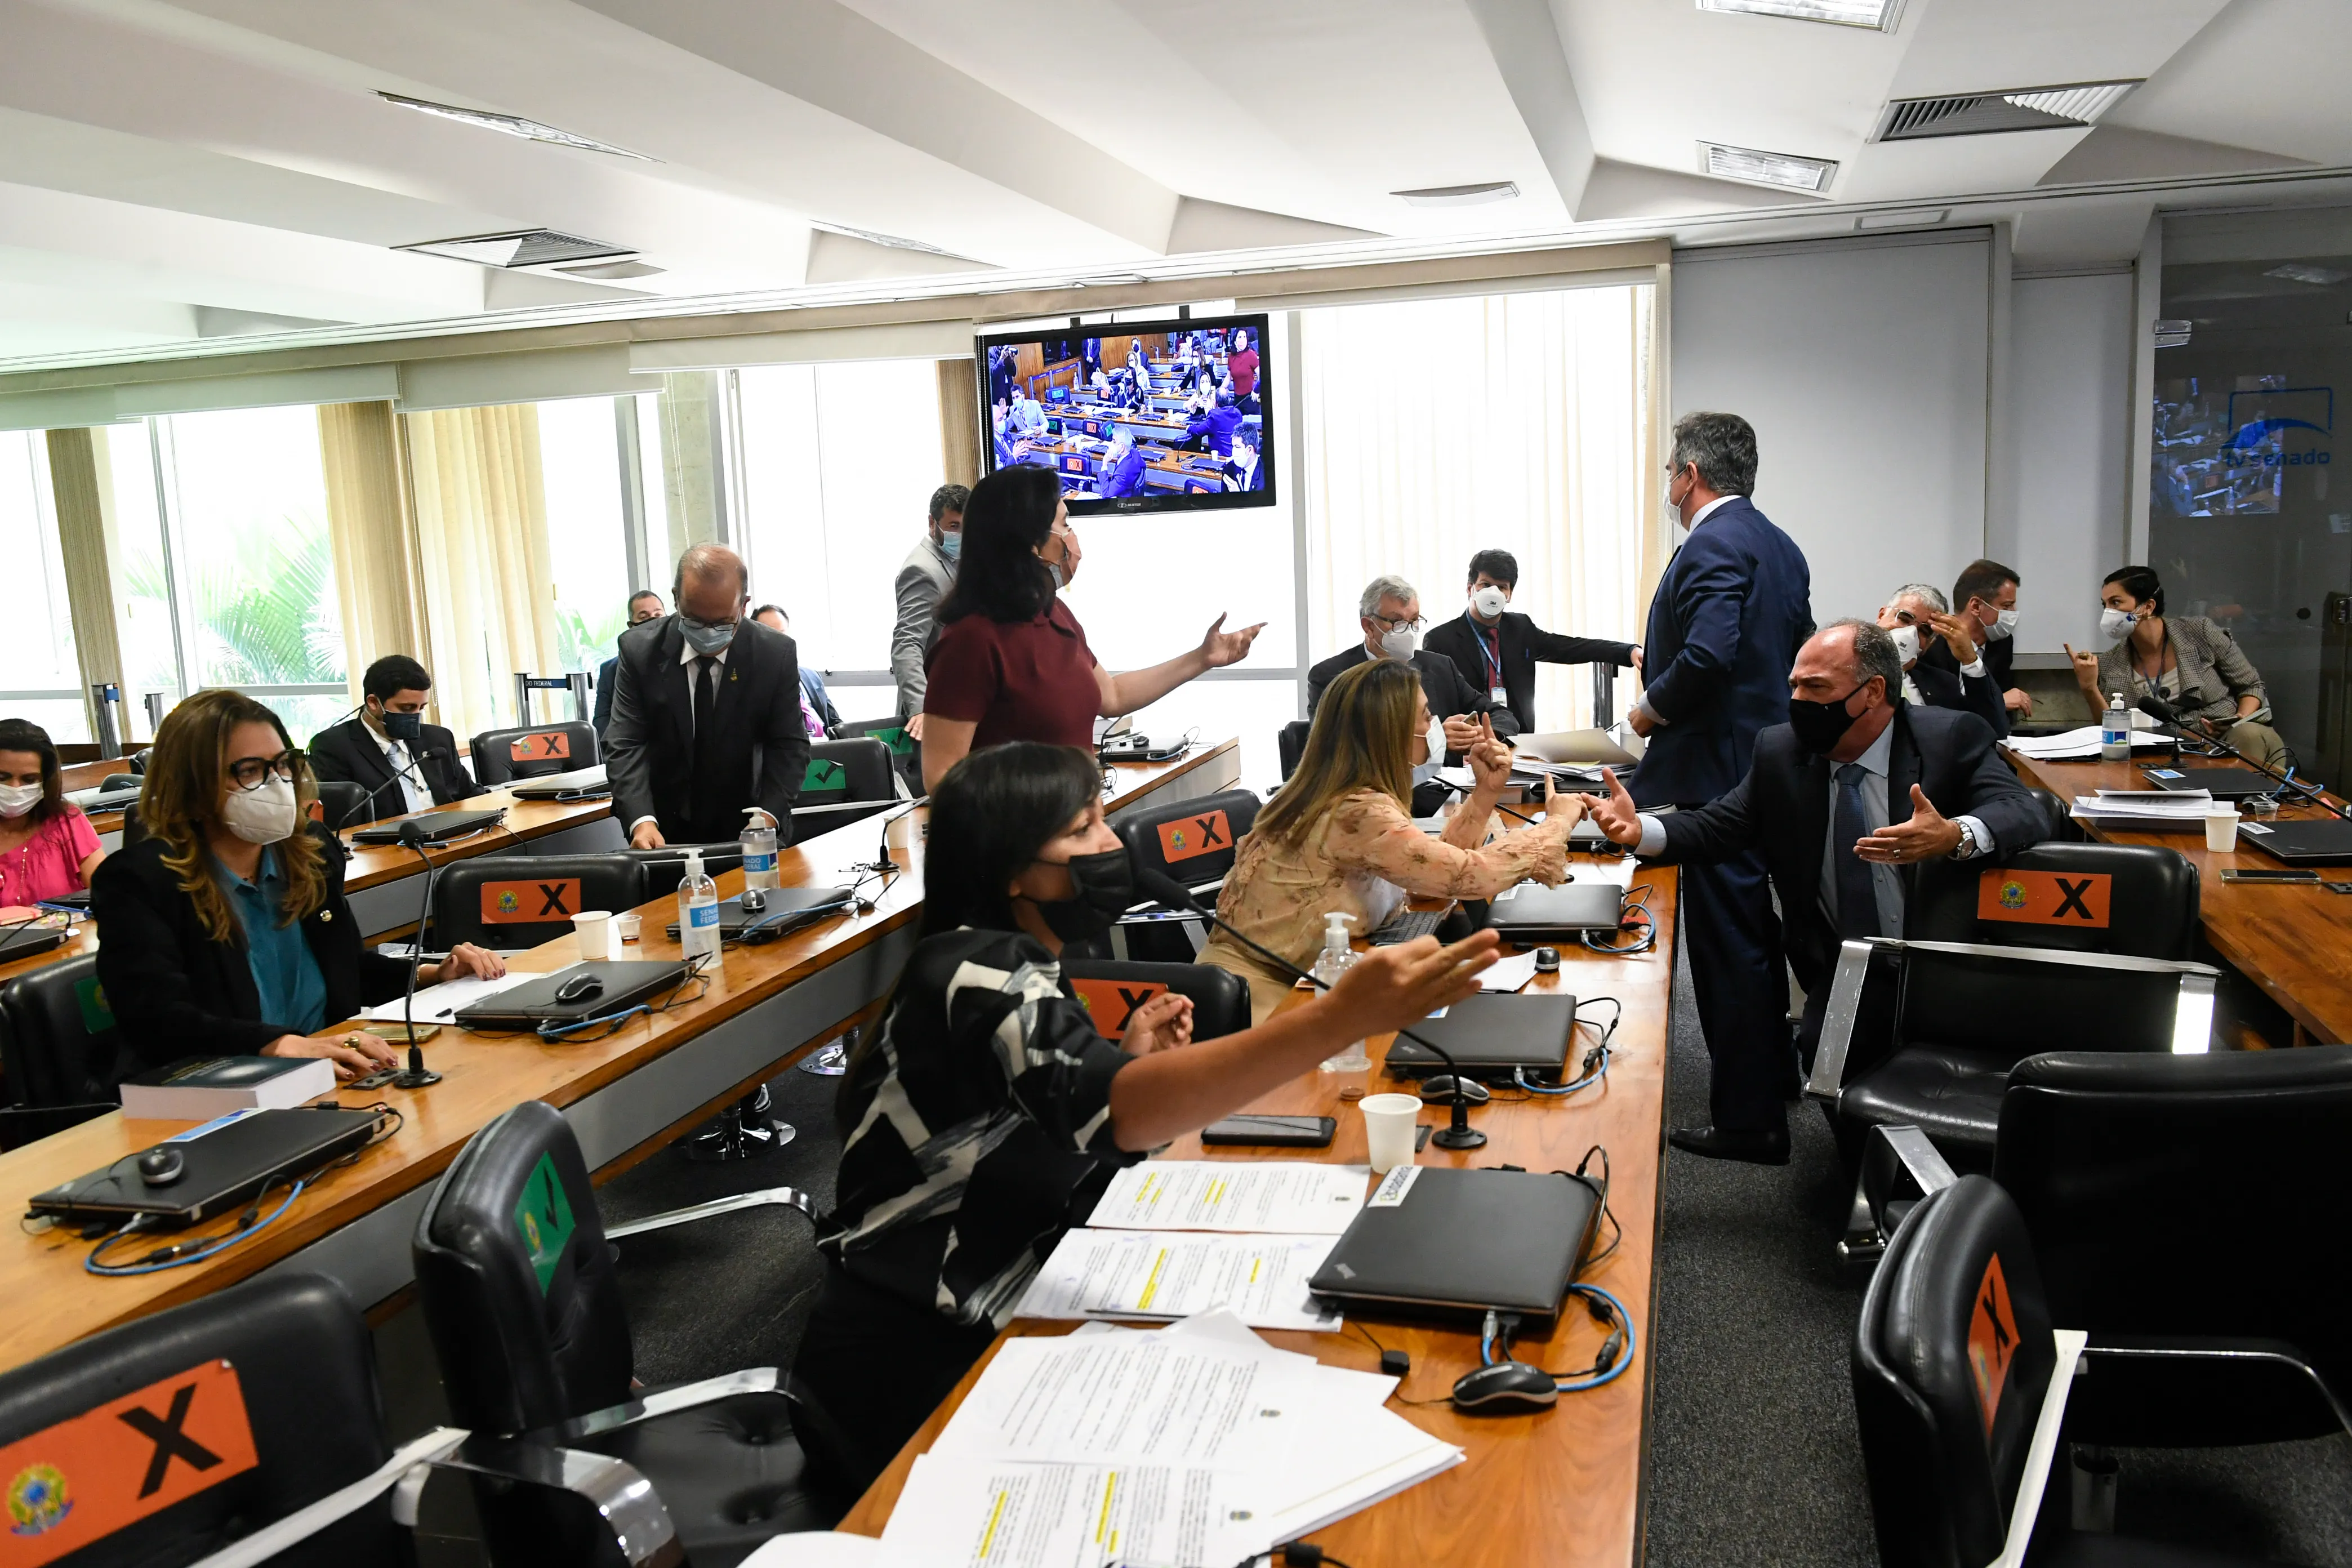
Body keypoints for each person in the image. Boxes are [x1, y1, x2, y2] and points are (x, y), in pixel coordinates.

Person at [792, 740, 1500, 1488]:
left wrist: (1127, 1064)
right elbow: (1109, 1114)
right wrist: (1333, 1022)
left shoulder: (1008, 957)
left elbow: (1048, 1123)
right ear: (1009, 870)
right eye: (1083, 830)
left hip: (995, 1295)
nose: (1110, 844)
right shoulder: (973, 968)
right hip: (906, 1355)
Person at [1585, 621, 2044, 1162]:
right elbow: (1720, 826)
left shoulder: (1949, 739)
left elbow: (2023, 812)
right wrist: (1643, 833)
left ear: (1872, 693)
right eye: (1795, 685)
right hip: (1846, 966)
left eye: (1816, 688)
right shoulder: (1782, 751)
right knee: (1826, 1062)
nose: (1798, 701)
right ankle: (1864, 1171)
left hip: (1943, 966)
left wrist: (1954, 835)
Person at [90, 689, 506, 1085]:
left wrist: (434, 974)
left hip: (329, 1071)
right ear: (193, 785)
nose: (276, 783)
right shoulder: (140, 880)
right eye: (249, 771)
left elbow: (345, 971)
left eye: (282, 765)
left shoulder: (311, 853)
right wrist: (283, 1046)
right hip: (215, 1090)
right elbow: (158, 1021)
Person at [1625, 411, 1813, 1162]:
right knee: (1760, 938)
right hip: (1774, 761)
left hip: (1720, 774)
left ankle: (1748, 1121)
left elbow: (1708, 655)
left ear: (1691, 476)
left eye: (1671, 473)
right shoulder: (1779, 542)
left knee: (1730, 947)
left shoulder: (1713, 542)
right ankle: (1775, 1078)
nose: (1669, 486)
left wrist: (1648, 708)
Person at [1204, 658, 1582, 1022]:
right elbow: (1468, 875)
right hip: (1267, 1000)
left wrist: (1484, 793)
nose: (1433, 725)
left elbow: (1429, 874)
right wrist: (1557, 824)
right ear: (1391, 731)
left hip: (1304, 980)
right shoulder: (1354, 812)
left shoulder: (1342, 794)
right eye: (1424, 715)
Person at [918, 466, 1263, 792]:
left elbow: (1113, 696)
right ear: (1030, 544)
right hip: (1020, 842)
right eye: (1064, 524)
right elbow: (942, 776)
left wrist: (1202, 658)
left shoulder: (1054, 613)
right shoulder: (970, 641)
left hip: (1077, 826)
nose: (1072, 538)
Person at [605, 544, 811, 849]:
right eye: (695, 620)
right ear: (676, 598)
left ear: (744, 605)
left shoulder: (774, 653)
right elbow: (626, 741)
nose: (708, 632)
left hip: (751, 821)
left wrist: (768, 816)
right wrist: (641, 820)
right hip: (664, 828)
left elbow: (788, 743)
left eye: (722, 623)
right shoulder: (639, 651)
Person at [1308, 574, 1518, 813]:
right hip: (1366, 804)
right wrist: (1435, 739)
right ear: (1368, 626)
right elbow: (1339, 750)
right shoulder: (1331, 675)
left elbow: (1501, 715)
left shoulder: (1440, 667)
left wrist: (1484, 736)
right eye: (1397, 622)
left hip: (1445, 797)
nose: (1408, 631)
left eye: (1414, 621)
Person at [2067, 565, 2289, 769]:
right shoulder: (2110, 662)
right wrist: (2089, 687)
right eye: (2104, 605)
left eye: (2115, 603)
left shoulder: (2199, 632)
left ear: (2148, 606)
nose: (2108, 612)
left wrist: (2239, 719)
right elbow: (2110, 733)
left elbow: (2251, 685)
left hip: (2223, 740)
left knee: (2249, 734)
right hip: (2159, 754)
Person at [1423, 548, 1641, 733]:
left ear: (1509, 595)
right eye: (1485, 585)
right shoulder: (1440, 640)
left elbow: (1570, 647)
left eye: (1501, 587)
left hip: (1519, 742)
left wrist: (1627, 651)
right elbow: (1434, 710)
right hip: (1469, 742)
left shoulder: (1520, 628)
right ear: (1470, 589)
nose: (1493, 593)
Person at [309, 654, 479, 821]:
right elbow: (344, 822)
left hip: (452, 837)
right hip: (388, 845)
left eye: (421, 708)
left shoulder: (438, 739)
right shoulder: (333, 747)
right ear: (373, 703)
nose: (416, 716)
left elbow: (469, 794)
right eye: (407, 708)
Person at [0, 719, 103, 916]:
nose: (15, 788)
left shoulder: (67, 822)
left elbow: (112, 894)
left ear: (45, 781)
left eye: (29, 780)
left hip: (65, 944)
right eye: (2, 778)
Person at [1877, 583, 2008, 738]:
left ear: (1930, 643)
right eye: (1905, 620)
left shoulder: (1942, 684)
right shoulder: (1845, 667)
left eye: (1924, 631)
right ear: (1881, 616)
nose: (1910, 634)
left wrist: (1970, 660)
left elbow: (1990, 732)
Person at [892, 484, 966, 743]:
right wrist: (922, 708)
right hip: (934, 714)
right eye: (954, 526)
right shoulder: (921, 570)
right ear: (932, 523)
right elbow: (907, 643)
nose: (961, 534)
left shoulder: (956, 559)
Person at [1930, 559, 2028, 719]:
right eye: (2007, 606)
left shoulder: (2002, 643)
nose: (2014, 612)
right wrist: (1999, 702)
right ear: (1976, 607)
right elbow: (1939, 710)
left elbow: (2005, 714)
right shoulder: (1933, 643)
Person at [753, 605, 841, 737]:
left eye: (782, 634)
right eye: (770, 635)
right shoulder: (750, 683)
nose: (777, 642)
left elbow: (834, 722)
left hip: (827, 751)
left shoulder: (811, 676)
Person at [594, 590, 666, 737]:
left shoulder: (684, 659)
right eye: (644, 617)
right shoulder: (610, 670)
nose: (653, 622)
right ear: (631, 625)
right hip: (629, 750)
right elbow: (602, 721)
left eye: (658, 616)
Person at [1184, 390, 1244, 460]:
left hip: (1220, 457)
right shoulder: (1238, 413)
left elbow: (1199, 431)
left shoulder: (1214, 415)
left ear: (1216, 402)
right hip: (1236, 456)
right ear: (1229, 400)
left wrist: (1189, 428)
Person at [1096, 426, 1147, 498]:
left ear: (1122, 447)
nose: (1110, 444)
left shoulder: (1122, 473)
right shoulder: (1135, 454)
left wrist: (1105, 464)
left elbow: (1106, 494)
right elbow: (1143, 465)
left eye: (1114, 442)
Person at [1222, 422, 1265, 491]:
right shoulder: (1229, 468)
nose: (1233, 452)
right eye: (1233, 446)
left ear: (1250, 450)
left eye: (1237, 447)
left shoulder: (1265, 478)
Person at [1227, 327, 1260, 415]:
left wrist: (1257, 390)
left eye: (1245, 337)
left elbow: (1261, 375)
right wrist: (1221, 389)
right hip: (1237, 399)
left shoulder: (1251, 355)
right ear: (1235, 341)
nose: (1243, 340)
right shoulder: (1231, 357)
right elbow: (1228, 377)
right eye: (1240, 337)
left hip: (1250, 398)